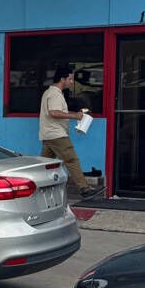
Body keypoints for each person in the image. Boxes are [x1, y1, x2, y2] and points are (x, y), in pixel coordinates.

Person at [40, 65, 95, 199]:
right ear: (62, 79)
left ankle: (38, 187)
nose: (71, 82)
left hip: (49, 135)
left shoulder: (51, 92)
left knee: (45, 164)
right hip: (57, 134)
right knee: (72, 160)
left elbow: (60, 112)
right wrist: (75, 116)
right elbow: (54, 112)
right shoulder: (54, 94)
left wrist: (75, 114)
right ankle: (84, 189)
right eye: (70, 79)